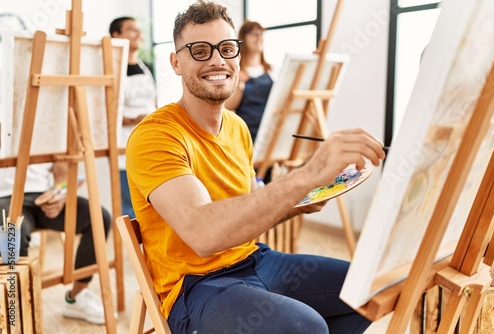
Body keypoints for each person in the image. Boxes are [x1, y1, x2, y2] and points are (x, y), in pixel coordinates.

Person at [126, 1, 385, 333]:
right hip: (196, 286)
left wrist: (302, 199)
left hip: (254, 260)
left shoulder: (237, 127)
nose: (217, 60)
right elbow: (203, 234)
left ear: (237, 56)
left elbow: (249, 208)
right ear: (176, 62)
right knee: (305, 326)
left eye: (227, 49)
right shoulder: (156, 135)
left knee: (364, 290)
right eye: (200, 51)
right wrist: (305, 175)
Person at [0, 162, 112, 325]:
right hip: (4, 196)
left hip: (44, 195)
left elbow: (61, 164)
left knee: (98, 218)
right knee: (13, 233)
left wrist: (60, 193)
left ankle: (78, 295)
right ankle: (15, 306)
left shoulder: (46, 136)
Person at [109, 16, 157, 219]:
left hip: (150, 138)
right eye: (131, 29)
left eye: (139, 29)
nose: (138, 33)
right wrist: (132, 120)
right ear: (116, 35)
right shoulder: (110, 70)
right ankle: (134, 250)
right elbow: (105, 110)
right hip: (122, 143)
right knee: (130, 203)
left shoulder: (146, 67)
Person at [225, 20, 273, 143]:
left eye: (261, 34)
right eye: (254, 34)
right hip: (246, 135)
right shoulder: (236, 71)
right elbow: (228, 107)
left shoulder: (271, 71)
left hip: (270, 133)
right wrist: (239, 86)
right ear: (243, 39)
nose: (259, 38)